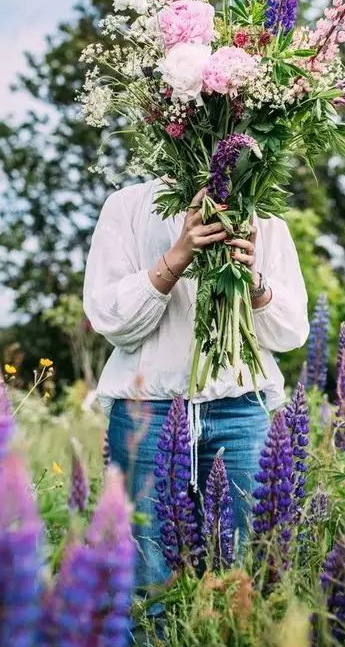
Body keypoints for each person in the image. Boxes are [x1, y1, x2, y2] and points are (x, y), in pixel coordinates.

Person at [83, 178, 309, 593]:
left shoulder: (263, 208)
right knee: (146, 578)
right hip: (146, 409)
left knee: (244, 575)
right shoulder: (127, 205)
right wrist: (180, 254)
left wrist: (252, 282)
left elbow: (291, 333)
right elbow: (111, 321)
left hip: (240, 409)